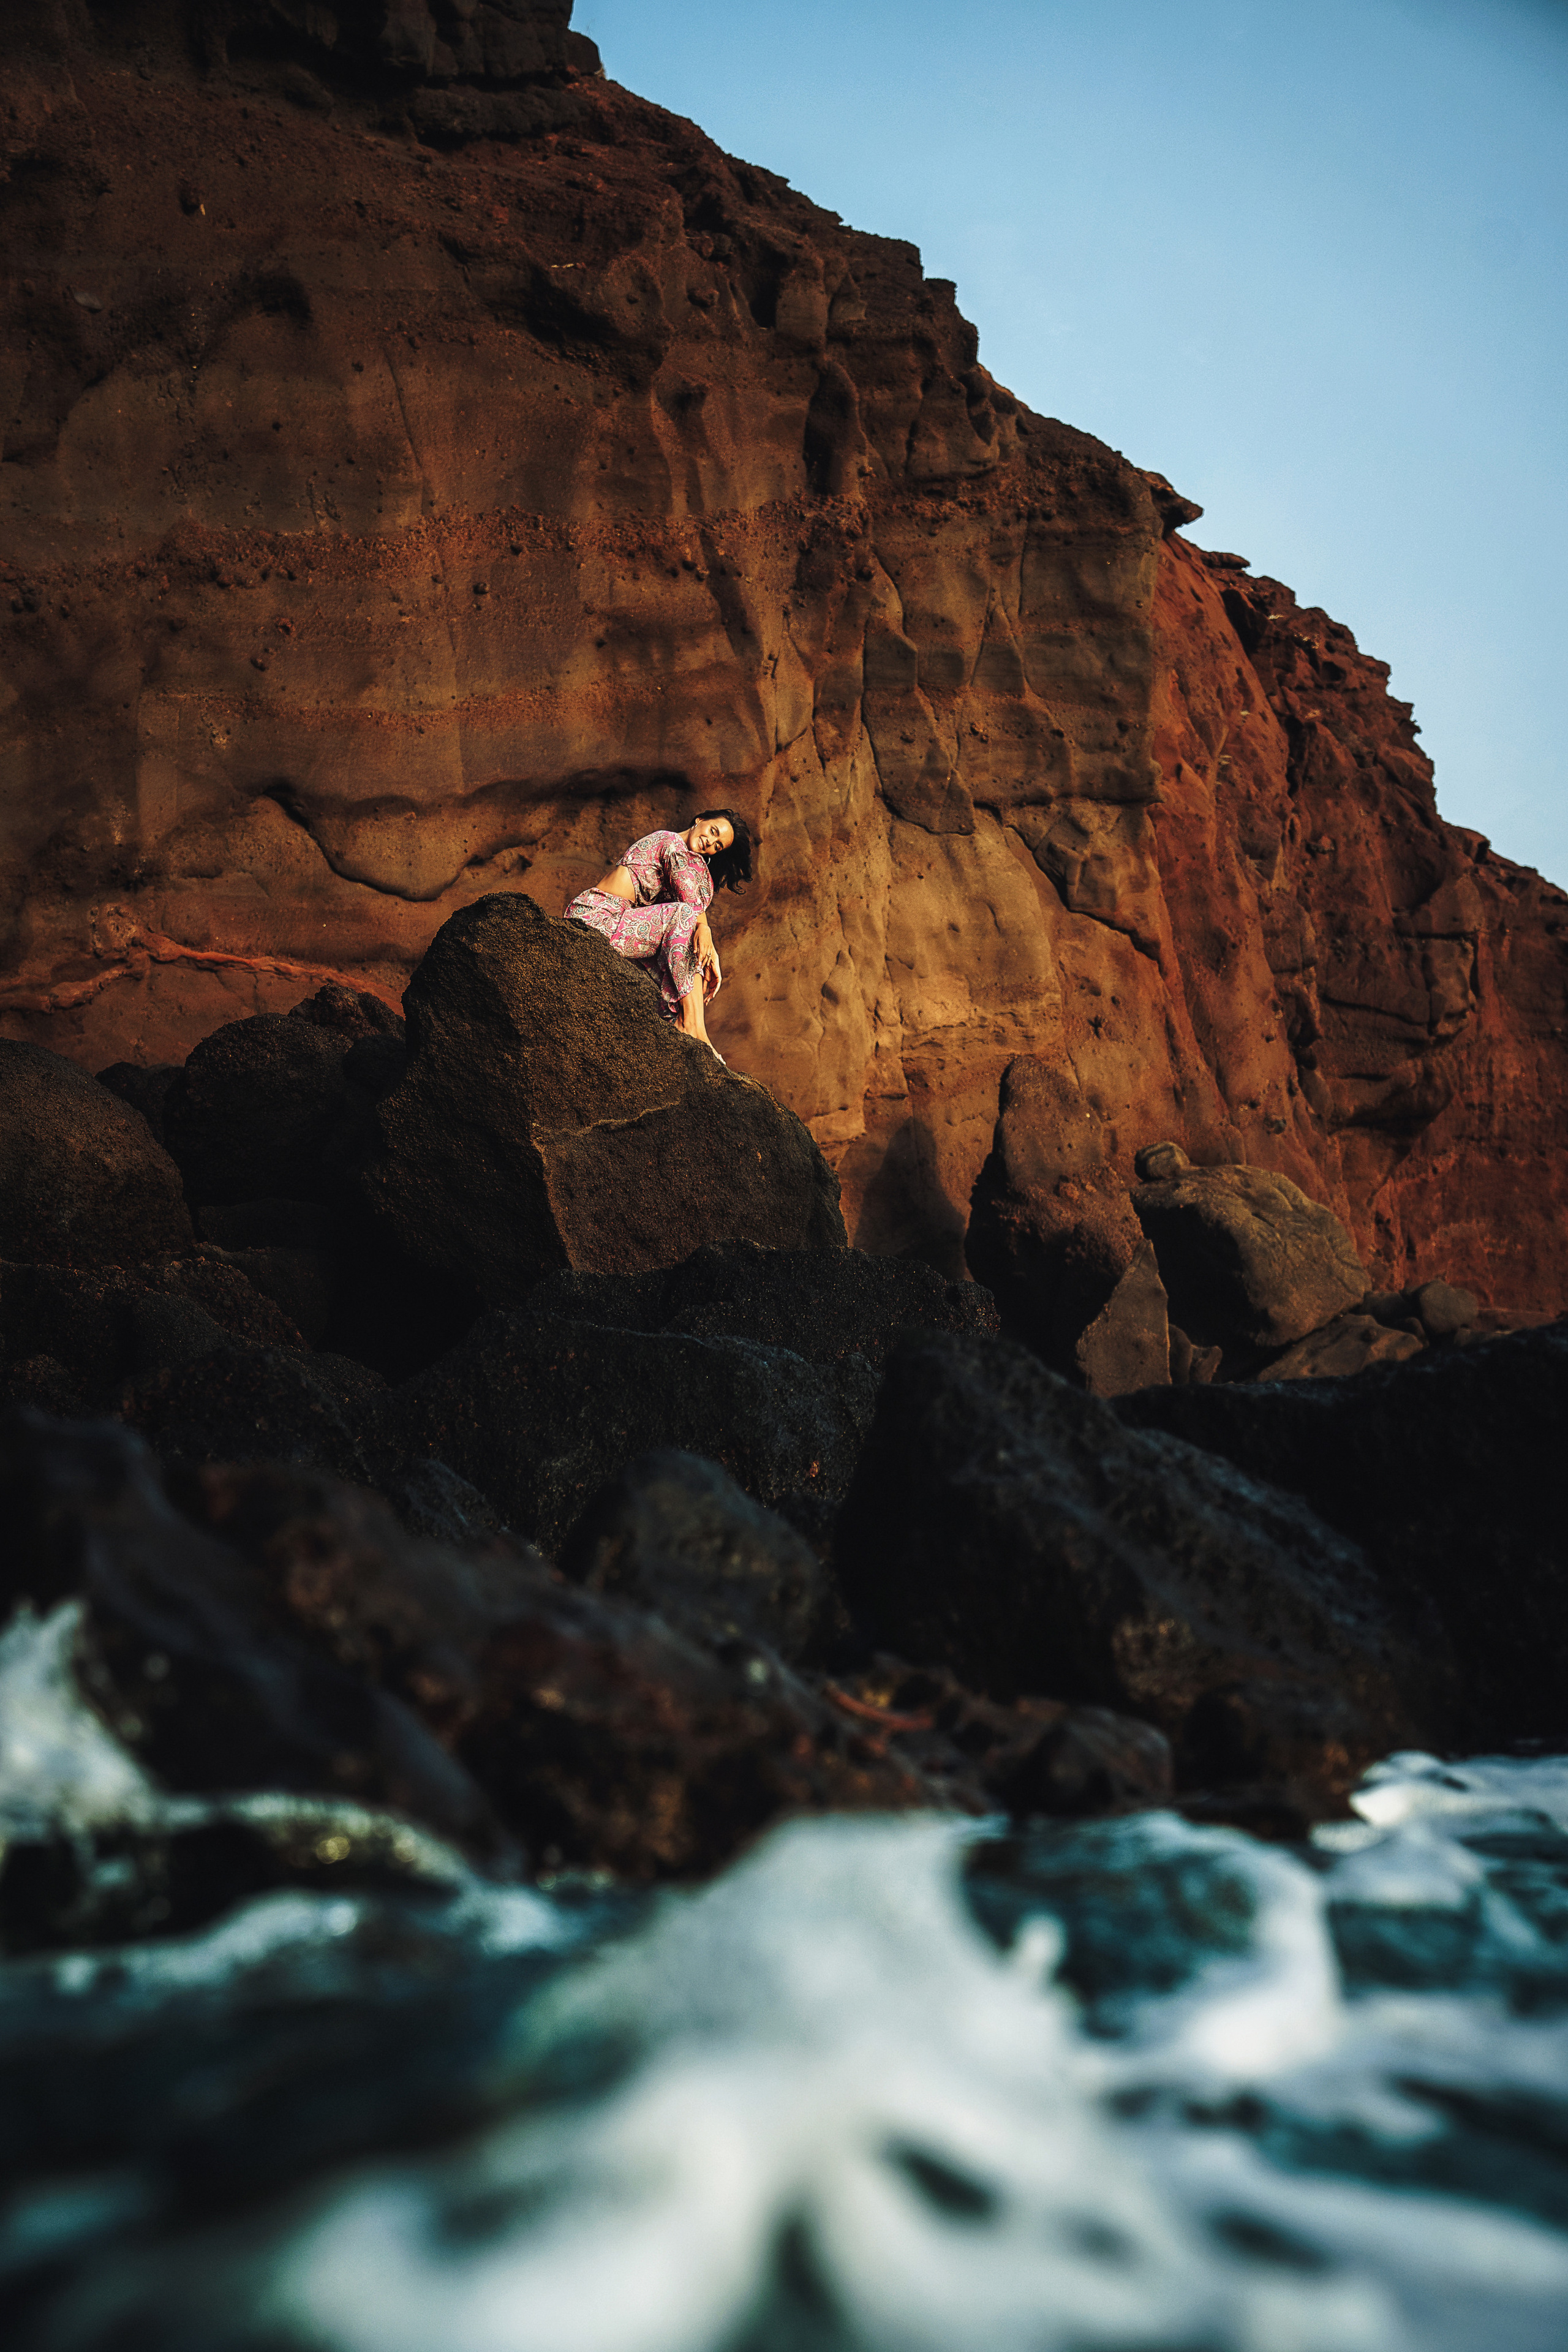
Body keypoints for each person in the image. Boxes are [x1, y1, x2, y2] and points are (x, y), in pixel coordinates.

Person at [565, 809, 753, 1057]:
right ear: (699, 820)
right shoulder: (669, 841)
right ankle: (691, 1027)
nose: (710, 842)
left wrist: (704, 948)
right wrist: (706, 932)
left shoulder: (688, 863)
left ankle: (695, 1030)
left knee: (690, 943)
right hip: (595, 916)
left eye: (718, 846)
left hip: (621, 924)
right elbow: (689, 904)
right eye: (713, 831)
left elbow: (690, 910)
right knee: (684, 918)